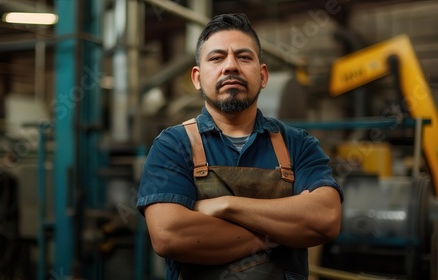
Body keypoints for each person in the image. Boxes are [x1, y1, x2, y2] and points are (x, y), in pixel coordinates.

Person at [136, 13, 343, 280]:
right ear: (197, 78)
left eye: (244, 57)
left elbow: (324, 219)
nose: (231, 66)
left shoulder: (298, 144)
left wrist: (227, 206)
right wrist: (277, 232)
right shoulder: (173, 145)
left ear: (263, 75)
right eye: (217, 57)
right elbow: (170, 236)